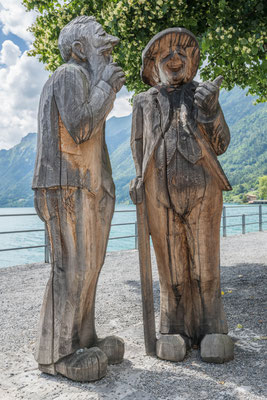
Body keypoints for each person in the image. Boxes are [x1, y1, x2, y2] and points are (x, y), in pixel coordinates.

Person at [130, 28, 233, 361]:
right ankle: (173, 329)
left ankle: (212, 329)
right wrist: (138, 177)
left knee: (206, 265)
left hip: (204, 190)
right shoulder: (143, 102)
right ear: (153, 66)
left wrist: (211, 111)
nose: (174, 59)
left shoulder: (202, 95)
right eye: (165, 55)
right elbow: (138, 144)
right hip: (159, 194)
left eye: (181, 53)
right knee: (170, 267)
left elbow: (220, 144)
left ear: (192, 62)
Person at [32, 16, 125, 380]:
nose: (110, 47)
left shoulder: (87, 79)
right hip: (63, 182)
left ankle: (83, 338)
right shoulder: (70, 75)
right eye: (101, 40)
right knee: (70, 269)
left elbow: (94, 142)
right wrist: (106, 88)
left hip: (86, 185)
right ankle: (55, 354)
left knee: (88, 268)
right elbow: (80, 125)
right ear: (79, 49)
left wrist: (105, 189)